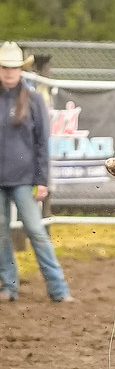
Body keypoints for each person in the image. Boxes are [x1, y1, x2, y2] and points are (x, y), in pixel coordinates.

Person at [0, 42, 74, 303]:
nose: (9, 72)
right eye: (5, 67)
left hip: (24, 178)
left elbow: (42, 142)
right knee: (0, 233)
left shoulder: (32, 100)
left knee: (36, 230)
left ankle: (58, 288)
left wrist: (42, 180)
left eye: (13, 67)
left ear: (21, 69)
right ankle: (8, 287)